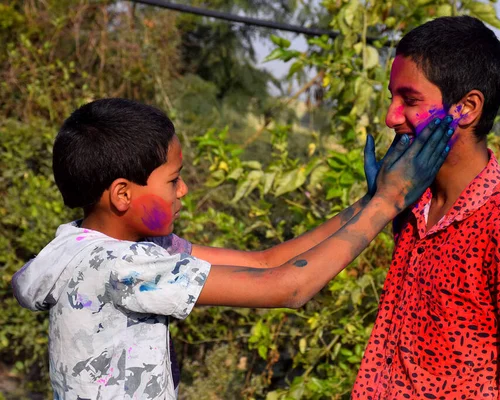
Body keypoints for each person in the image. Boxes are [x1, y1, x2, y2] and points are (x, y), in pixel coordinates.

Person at [11, 97, 454, 399]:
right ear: (122, 194)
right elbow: (289, 287)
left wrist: (365, 203)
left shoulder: (84, 244)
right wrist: (388, 203)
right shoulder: (121, 267)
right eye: (172, 180)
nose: (183, 190)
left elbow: (264, 262)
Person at [352, 16, 500, 399]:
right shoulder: (413, 198)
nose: (390, 116)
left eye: (410, 99)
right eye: (391, 97)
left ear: (466, 108)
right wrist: (378, 203)